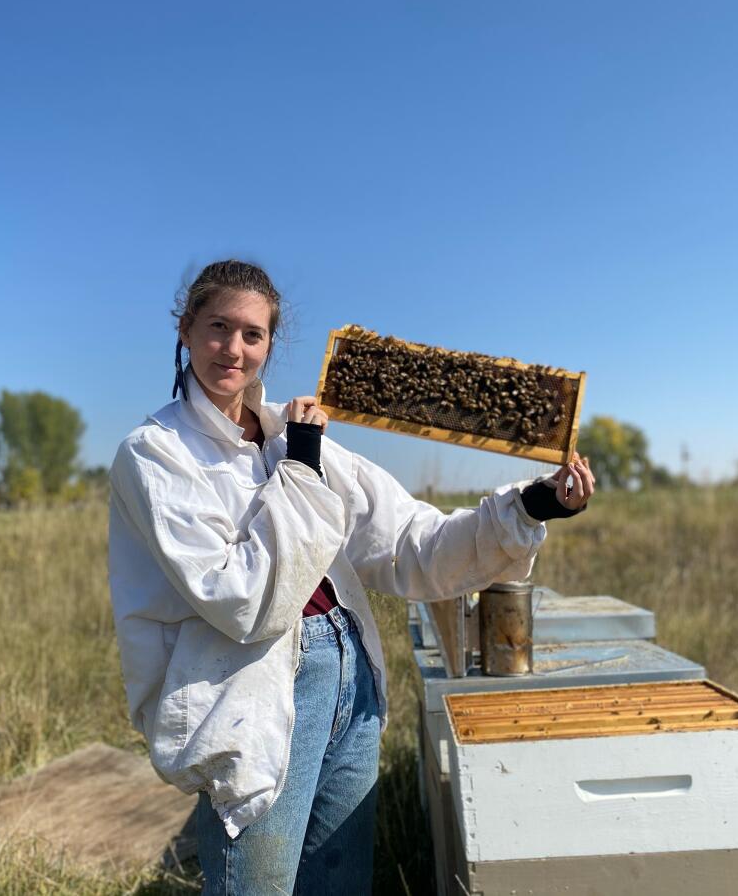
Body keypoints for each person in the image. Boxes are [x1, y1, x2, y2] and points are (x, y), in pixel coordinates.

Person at [108, 259, 595, 895]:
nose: (233, 349)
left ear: (270, 345)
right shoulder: (156, 453)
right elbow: (243, 601)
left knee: (338, 884)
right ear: (186, 330)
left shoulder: (292, 433)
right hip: (251, 692)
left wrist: (531, 507)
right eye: (218, 327)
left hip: (349, 669)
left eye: (253, 334)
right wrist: (302, 469)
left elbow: (410, 543)